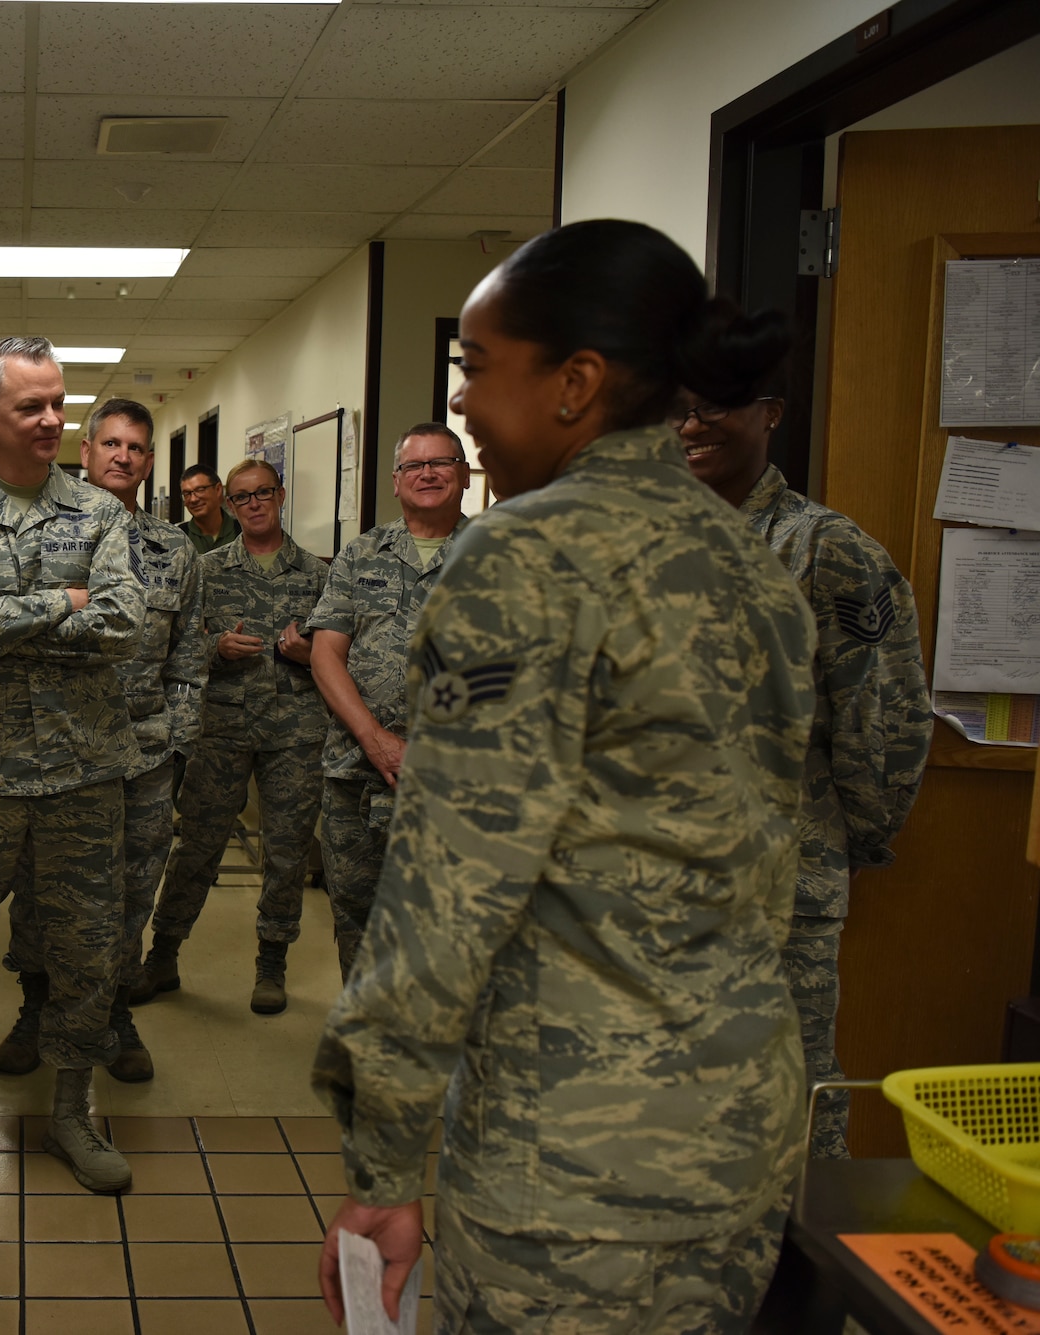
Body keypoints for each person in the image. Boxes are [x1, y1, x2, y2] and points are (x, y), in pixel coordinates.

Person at [313, 220, 817, 1333]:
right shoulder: (753, 564)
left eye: (477, 370)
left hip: (575, 1166)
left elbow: (446, 893)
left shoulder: (524, 558)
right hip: (737, 1140)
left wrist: (384, 1162)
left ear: (575, 383)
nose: (459, 409)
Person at [0, 336, 144, 1203]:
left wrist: (7, 612)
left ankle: (74, 1112)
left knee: (88, 951)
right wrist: (63, 602)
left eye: (59, 404)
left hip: (83, 775)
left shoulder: (102, 514)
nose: (52, 420)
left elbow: (126, 622)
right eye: (31, 407)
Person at [679, 379, 932, 1161]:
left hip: (776, 884)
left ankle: (798, 1269)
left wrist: (835, 841)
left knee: (784, 1092)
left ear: (771, 412)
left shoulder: (824, 549)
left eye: (714, 402)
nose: (690, 424)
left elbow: (882, 723)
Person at [0, 398, 206, 1084]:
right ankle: (37, 1006)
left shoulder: (174, 550)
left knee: (131, 887)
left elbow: (190, 661)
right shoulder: (37, 535)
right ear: (83, 453)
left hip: (142, 753)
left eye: (135, 446)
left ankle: (114, 1007)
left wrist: (175, 737)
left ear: (148, 461)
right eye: (109, 443)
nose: (121, 455)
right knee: (41, 884)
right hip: (53, 748)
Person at [137, 457, 328, 1016]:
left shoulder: (319, 576)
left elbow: (344, 658)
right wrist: (215, 647)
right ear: (229, 504)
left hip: (295, 732)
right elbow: (176, 647)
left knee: (288, 851)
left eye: (263, 493)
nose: (254, 504)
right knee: (197, 847)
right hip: (221, 728)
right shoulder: (209, 570)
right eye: (243, 497)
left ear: (281, 495)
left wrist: (308, 653)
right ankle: (164, 953)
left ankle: (272, 963)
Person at [306, 424, 470, 979]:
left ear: (464, 475)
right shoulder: (360, 554)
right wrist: (375, 740)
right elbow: (325, 655)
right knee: (357, 912)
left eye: (441, 463)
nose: (428, 474)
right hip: (358, 773)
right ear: (396, 482)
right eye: (414, 466)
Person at [178, 462, 239, 555]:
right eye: (187, 494)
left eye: (200, 490)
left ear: (218, 489)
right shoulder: (178, 536)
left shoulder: (242, 531)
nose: (193, 499)